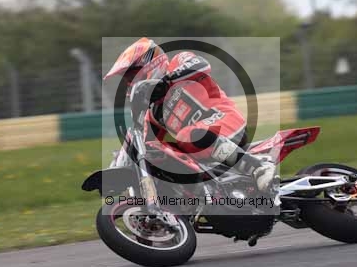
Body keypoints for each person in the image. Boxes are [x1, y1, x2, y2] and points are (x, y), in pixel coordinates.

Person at [104, 38, 276, 192]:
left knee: (188, 135)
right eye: (127, 80)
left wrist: (166, 81)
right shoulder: (154, 113)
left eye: (132, 76)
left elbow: (202, 65)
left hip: (226, 121)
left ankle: (259, 167)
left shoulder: (179, 61)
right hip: (201, 147)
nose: (130, 83)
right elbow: (147, 144)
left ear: (150, 63)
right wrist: (122, 165)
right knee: (166, 156)